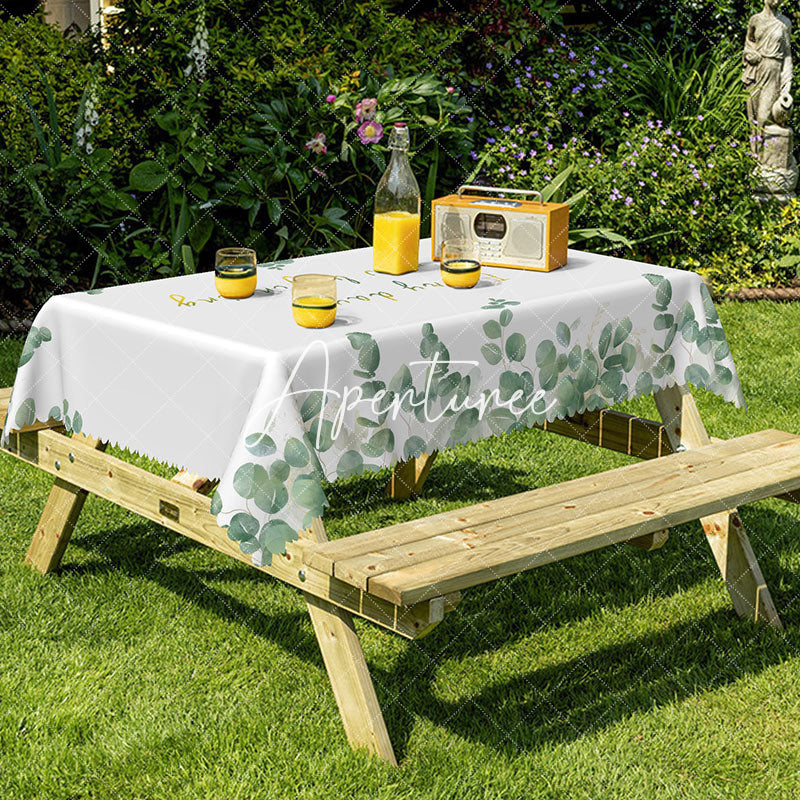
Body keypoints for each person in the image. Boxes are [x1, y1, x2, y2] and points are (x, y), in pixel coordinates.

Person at [742, 0, 793, 153]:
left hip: (773, 72)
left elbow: (787, 55)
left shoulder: (784, 23)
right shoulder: (755, 20)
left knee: (764, 118)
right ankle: (756, 159)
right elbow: (748, 44)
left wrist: (787, 83)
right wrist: (749, 54)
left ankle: (767, 158)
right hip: (755, 72)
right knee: (753, 118)